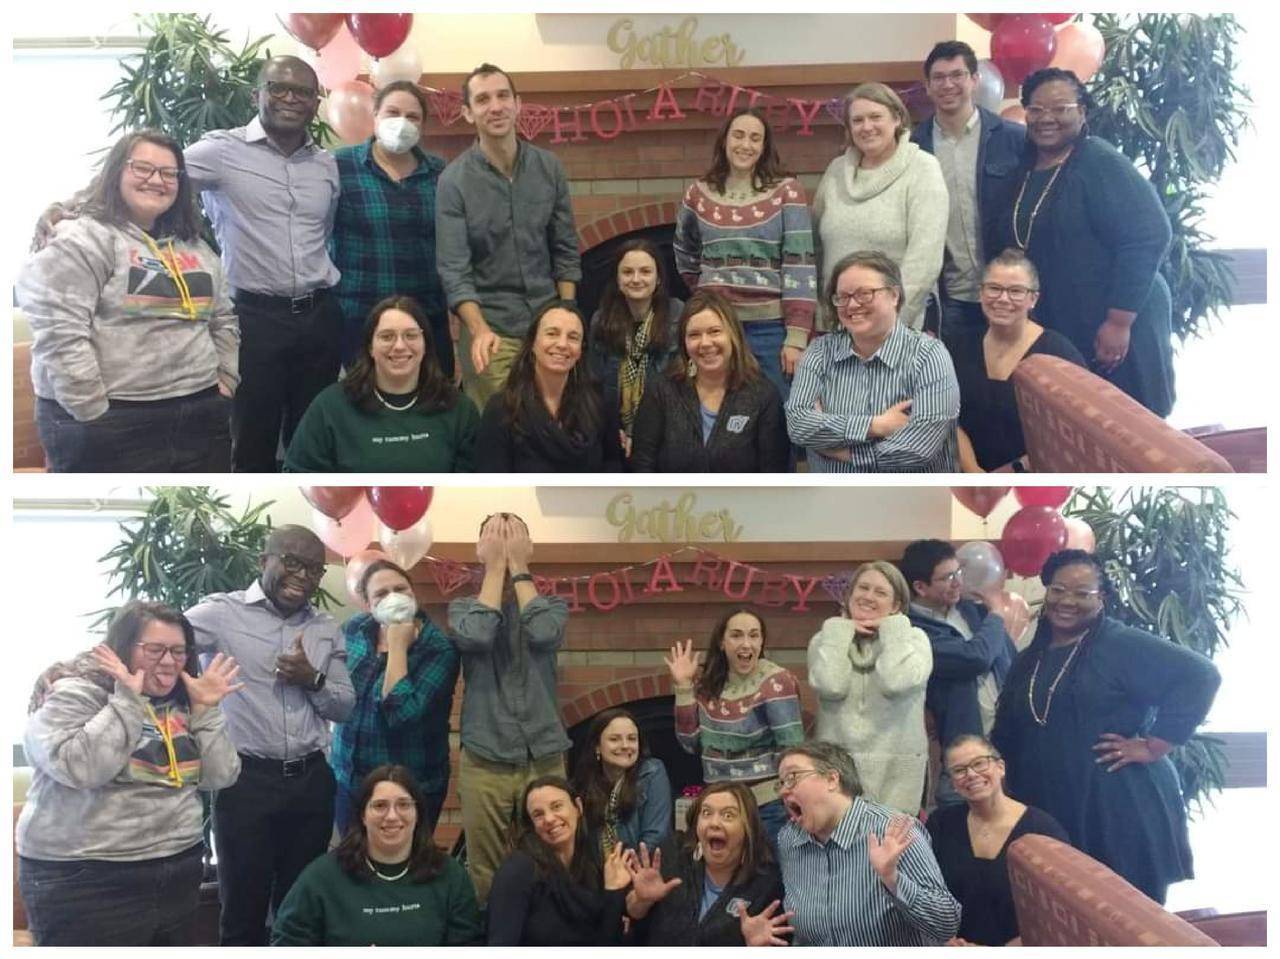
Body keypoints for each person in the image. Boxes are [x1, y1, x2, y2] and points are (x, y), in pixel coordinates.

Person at [991, 549, 1222, 904]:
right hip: (1054, 806)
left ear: (1102, 598)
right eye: (1058, 590)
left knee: (1123, 915)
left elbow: (1200, 675)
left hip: (1116, 808)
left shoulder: (1120, 644)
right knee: (1064, 912)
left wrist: (1155, 744)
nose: (1067, 601)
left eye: (1082, 593)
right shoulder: (1031, 656)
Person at [17, 602, 243, 945]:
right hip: (88, 876)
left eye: (178, 651)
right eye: (155, 650)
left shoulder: (184, 698)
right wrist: (127, 700)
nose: (168, 661)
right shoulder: (75, 691)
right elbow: (81, 769)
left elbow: (221, 775)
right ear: (122, 648)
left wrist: (206, 710)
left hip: (177, 869)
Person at [18, 129, 238, 472]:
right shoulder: (80, 237)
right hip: (112, 420)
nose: (157, 180)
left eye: (169, 173)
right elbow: (60, 332)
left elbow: (222, 318)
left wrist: (226, 378)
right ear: (116, 171)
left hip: (200, 412)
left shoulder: (194, 245)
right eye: (142, 168)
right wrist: (91, 409)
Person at [185, 525, 355, 945]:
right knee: (242, 910)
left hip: (310, 782)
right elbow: (158, 642)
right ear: (265, 561)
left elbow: (344, 706)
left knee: (299, 910)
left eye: (314, 569)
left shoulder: (325, 627)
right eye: (293, 562)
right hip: (245, 782)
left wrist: (312, 679)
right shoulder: (221, 613)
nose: (303, 576)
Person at [184, 55, 342, 471]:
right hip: (254, 320)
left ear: (315, 103)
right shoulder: (220, 150)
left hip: (319, 318)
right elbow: (153, 176)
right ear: (257, 94)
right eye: (278, 88)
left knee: (313, 441)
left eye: (303, 92)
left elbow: (324, 231)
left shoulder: (326, 164)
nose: (290, 98)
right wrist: (73, 207)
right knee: (253, 438)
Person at [990, 68, 1176, 416]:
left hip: (1117, 317)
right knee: (1083, 421)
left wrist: (1119, 322)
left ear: (1082, 112)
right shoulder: (1026, 167)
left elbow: (1149, 234)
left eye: (1060, 108)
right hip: (1066, 317)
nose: (1047, 118)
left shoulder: (1099, 161)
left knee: (1129, 424)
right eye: (1036, 109)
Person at [436, 63, 581, 409]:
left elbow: (565, 249)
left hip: (546, 320)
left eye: (503, 96)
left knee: (556, 416)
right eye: (483, 99)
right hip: (491, 326)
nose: (496, 107)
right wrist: (479, 329)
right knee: (501, 422)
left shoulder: (549, 168)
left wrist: (566, 313)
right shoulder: (453, 182)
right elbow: (454, 270)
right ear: (467, 113)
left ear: (518, 104)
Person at [447, 513, 572, 905]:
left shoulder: (550, 606)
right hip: (486, 757)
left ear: (528, 547)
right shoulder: (463, 608)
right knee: (486, 867)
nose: (504, 543)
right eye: (494, 538)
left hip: (544, 753)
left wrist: (518, 565)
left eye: (513, 537)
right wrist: (494, 568)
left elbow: (544, 633)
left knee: (554, 856)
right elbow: (478, 635)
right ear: (480, 550)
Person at [673, 107, 817, 397]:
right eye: (738, 135)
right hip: (716, 325)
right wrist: (707, 293)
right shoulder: (698, 193)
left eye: (755, 138)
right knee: (717, 406)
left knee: (778, 410)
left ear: (764, 146)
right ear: (725, 140)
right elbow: (684, 250)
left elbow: (800, 264)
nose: (745, 145)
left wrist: (796, 336)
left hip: (770, 329)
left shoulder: (787, 192)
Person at [786, 250, 960, 472]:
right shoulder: (819, 351)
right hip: (834, 491)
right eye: (843, 297)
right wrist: (875, 426)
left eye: (864, 294)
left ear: (894, 295)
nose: (852, 305)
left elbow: (918, 449)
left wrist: (841, 452)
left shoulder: (929, 355)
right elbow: (797, 424)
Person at [271, 765, 483, 946]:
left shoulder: (450, 876)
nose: (392, 816)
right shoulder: (321, 878)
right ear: (363, 815)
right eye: (380, 806)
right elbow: (287, 943)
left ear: (417, 814)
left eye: (403, 805)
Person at [775, 741, 960, 946]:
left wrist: (892, 879)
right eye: (781, 783)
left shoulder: (893, 830)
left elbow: (946, 925)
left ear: (831, 779)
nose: (783, 791)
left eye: (792, 778)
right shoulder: (789, 840)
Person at [330, 559, 461, 837]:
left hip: (411, 788)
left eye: (400, 589)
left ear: (413, 593)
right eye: (381, 593)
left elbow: (400, 714)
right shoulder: (354, 629)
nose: (393, 597)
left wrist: (397, 646)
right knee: (351, 858)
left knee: (407, 861)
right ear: (368, 605)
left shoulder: (438, 649)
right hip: (349, 780)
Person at [331, 81, 452, 376]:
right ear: (375, 115)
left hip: (425, 317)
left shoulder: (440, 173)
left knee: (434, 396)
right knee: (364, 399)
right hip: (360, 317)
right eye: (393, 113)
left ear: (422, 125)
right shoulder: (339, 166)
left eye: (412, 117)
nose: (402, 122)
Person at [911, 40, 1026, 350]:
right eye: (939, 77)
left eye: (957, 75)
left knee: (1012, 374)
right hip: (950, 297)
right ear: (928, 86)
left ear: (975, 80)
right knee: (960, 376)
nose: (948, 84)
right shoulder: (914, 147)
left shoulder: (1014, 139)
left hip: (1008, 291)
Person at [283, 295, 479, 472]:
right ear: (370, 347)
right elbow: (300, 477)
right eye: (387, 337)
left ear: (425, 344)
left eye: (411, 335)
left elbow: (473, 486)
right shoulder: (330, 407)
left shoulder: (459, 409)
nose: (400, 346)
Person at [813, 82, 947, 331]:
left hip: (897, 326)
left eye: (875, 117)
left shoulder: (923, 168)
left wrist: (890, 325)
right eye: (857, 120)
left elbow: (925, 260)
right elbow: (816, 249)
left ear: (897, 118)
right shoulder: (835, 171)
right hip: (837, 325)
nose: (867, 127)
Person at [666, 606, 804, 845]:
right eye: (737, 635)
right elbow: (689, 744)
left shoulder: (776, 682)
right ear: (722, 642)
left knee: (769, 869)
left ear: (761, 642)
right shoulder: (708, 684)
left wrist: (795, 801)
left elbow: (792, 749)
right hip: (719, 806)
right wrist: (684, 686)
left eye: (754, 635)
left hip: (767, 808)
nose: (746, 644)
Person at [807, 561, 932, 813]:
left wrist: (893, 629)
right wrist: (838, 633)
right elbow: (831, 685)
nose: (868, 596)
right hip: (837, 772)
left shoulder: (915, 640)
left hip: (898, 774)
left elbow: (896, 681)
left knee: (889, 838)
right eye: (863, 588)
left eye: (880, 592)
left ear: (896, 605)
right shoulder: (824, 640)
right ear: (849, 594)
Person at [900, 539, 1016, 806]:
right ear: (920, 587)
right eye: (947, 577)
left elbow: (1012, 661)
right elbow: (975, 658)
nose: (958, 582)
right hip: (964, 749)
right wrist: (997, 615)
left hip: (1009, 740)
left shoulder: (975, 611)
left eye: (958, 572)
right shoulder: (913, 631)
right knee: (962, 820)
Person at [926, 735, 1068, 946]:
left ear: (1000, 767)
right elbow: (927, 893)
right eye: (959, 770)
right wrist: (946, 940)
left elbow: (1059, 915)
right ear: (953, 783)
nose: (971, 774)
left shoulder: (1043, 830)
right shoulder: (940, 824)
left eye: (979, 763)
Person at [952, 249, 1087, 472]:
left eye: (1016, 291)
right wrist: (975, 473)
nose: (1003, 299)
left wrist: (1010, 473)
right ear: (981, 293)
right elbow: (949, 419)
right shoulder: (958, 345)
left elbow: (1076, 433)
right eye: (994, 288)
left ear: (1033, 299)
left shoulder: (1058, 353)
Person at [630, 290, 789, 472]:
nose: (705, 343)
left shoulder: (764, 396)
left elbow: (774, 475)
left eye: (714, 332)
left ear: (733, 335)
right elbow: (642, 466)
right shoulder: (660, 390)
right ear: (684, 343)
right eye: (694, 335)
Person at [625, 781, 790, 947]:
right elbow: (632, 917)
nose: (714, 823)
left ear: (748, 829)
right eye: (706, 813)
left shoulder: (766, 884)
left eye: (728, 815)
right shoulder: (672, 856)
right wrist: (641, 900)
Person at [476, 299, 623, 472]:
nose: (562, 344)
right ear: (532, 343)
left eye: (573, 337)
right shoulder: (501, 409)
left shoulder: (599, 403)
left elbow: (613, 464)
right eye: (552, 334)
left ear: (581, 350)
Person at [487, 776, 631, 946]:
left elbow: (607, 943)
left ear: (578, 807)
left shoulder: (595, 858)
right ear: (531, 826)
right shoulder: (518, 870)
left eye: (556, 806)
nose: (549, 819)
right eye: (538, 814)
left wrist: (614, 892)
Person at [586, 239, 683, 456]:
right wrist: (614, 431)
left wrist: (644, 435)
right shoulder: (601, 320)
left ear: (658, 278)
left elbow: (681, 389)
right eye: (628, 272)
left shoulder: (677, 315)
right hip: (614, 430)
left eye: (645, 271)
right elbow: (594, 385)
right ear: (617, 279)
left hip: (667, 431)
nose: (636, 279)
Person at [572, 707, 673, 857]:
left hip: (643, 865)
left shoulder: (652, 772)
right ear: (597, 746)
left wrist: (627, 868)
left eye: (632, 739)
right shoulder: (584, 781)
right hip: (599, 867)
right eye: (614, 739)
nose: (625, 745)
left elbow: (654, 837)